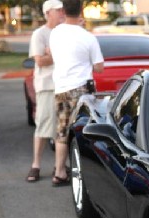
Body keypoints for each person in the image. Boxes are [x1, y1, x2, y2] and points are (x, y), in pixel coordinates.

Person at [49, 0, 103, 186]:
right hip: (82, 90)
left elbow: (52, 52)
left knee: (62, 131)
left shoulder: (55, 33)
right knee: (86, 131)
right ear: (81, 10)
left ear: (63, 10)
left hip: (62, 88)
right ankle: (88, 173)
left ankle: (59, 172)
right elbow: (99, 67)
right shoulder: (88, 37)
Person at [25, 0, 64, 182]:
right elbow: (40, 61)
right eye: (57, 10)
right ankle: (36, 165)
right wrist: (57, 54)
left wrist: (52, 53)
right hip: (47, 86)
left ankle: (59, 167)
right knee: (43, 125)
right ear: (48, 13)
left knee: (61, 128)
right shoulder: (39, 34)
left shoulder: (64, 32)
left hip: (64, 85)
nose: (61, 12)